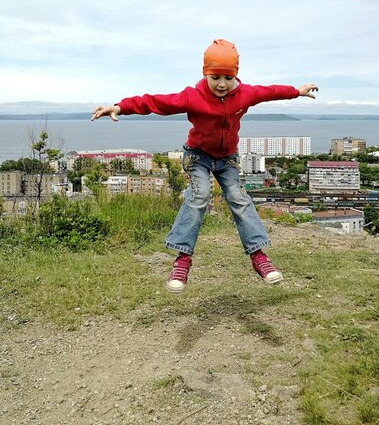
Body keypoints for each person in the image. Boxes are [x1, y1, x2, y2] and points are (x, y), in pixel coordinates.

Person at [92, 39, 318, 293]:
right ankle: (182, 259)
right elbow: (154, 102)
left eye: (227, 77)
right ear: (205, 73)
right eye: (215, 77)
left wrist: (295, 91)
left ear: (235, 76)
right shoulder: (193, 97)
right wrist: (120, 106)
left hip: (227, 158)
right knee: (199, 196)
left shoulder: (245, 94)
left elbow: (270, 92)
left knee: (238, 198)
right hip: (198, 155)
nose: (221, 84)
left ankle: (259, 256)